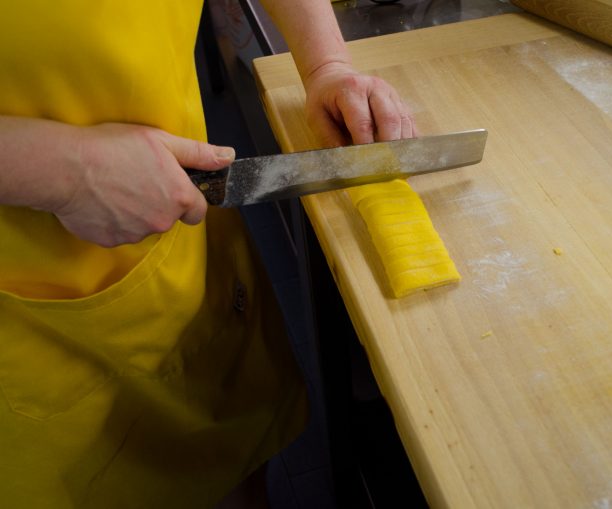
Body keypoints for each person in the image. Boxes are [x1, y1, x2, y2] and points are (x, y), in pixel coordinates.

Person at [0, 0, 415, 507]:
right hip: (28, 311)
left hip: (185, 227)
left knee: (233, 465)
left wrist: (326, 65)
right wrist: (67, 171)